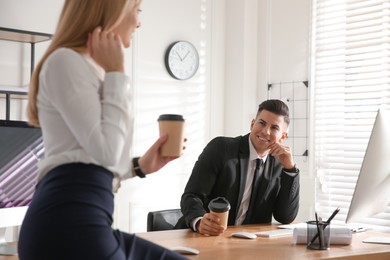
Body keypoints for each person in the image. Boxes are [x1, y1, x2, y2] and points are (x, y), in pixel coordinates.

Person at [18, 0, 186, 259]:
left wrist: (139, 166)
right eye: (136, 11)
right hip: (66, 222)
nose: (139, 22)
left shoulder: (89, 69)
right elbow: (106, 152)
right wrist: (117, 72)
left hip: (85, 217)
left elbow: (90, 156)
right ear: (112, 11)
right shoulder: (65, 62)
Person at [175, 99, 300, 236]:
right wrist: (199, 222)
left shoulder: (279, 164)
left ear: (283, 136)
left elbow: (285, 217)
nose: (265, 131)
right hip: (200, 235)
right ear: (252, 124)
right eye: (261, 123)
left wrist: (290, 170)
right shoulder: (221, 148)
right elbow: (192, 195)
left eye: (274, 128)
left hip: (245, 243)